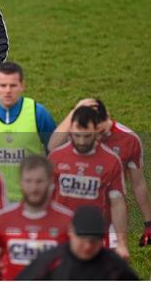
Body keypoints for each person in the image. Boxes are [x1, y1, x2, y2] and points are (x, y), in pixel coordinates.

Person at [49, 98, 151, 247]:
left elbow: (138, 183)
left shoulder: (129, 140)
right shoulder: (80, 133)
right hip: (68, 219)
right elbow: (52, 146)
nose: (96, 139)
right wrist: (75, 111)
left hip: (108, 221)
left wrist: (150, 223)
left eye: (97, 132)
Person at [48, 106, 129, 260]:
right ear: (70, 130)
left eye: (87, 136)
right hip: (62, 232)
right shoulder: (56, 158)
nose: (82, 141)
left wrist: (121, 243)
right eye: (77, 136)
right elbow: (46, 199)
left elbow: (117, 204)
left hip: (96, 234)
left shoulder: (111, 161)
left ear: (97, 131)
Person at [0, 62, 56, 201]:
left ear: (22, 86)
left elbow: (56, 151)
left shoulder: (38, 113)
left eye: (13, 85)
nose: (7, 91)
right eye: (3, 85)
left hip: (28, 199)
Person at [0, 155, 72, 280]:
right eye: (28, 181)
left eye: (39, 181)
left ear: (50, 181)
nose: (34, 188)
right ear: (20, 182)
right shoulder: (0, 220)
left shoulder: (68, 221)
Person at [16, 206, 138, 280]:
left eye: (94, 241)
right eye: (82, 239)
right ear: (70, 231)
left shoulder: (114, 265)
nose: (87, 246)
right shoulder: (51, 261)